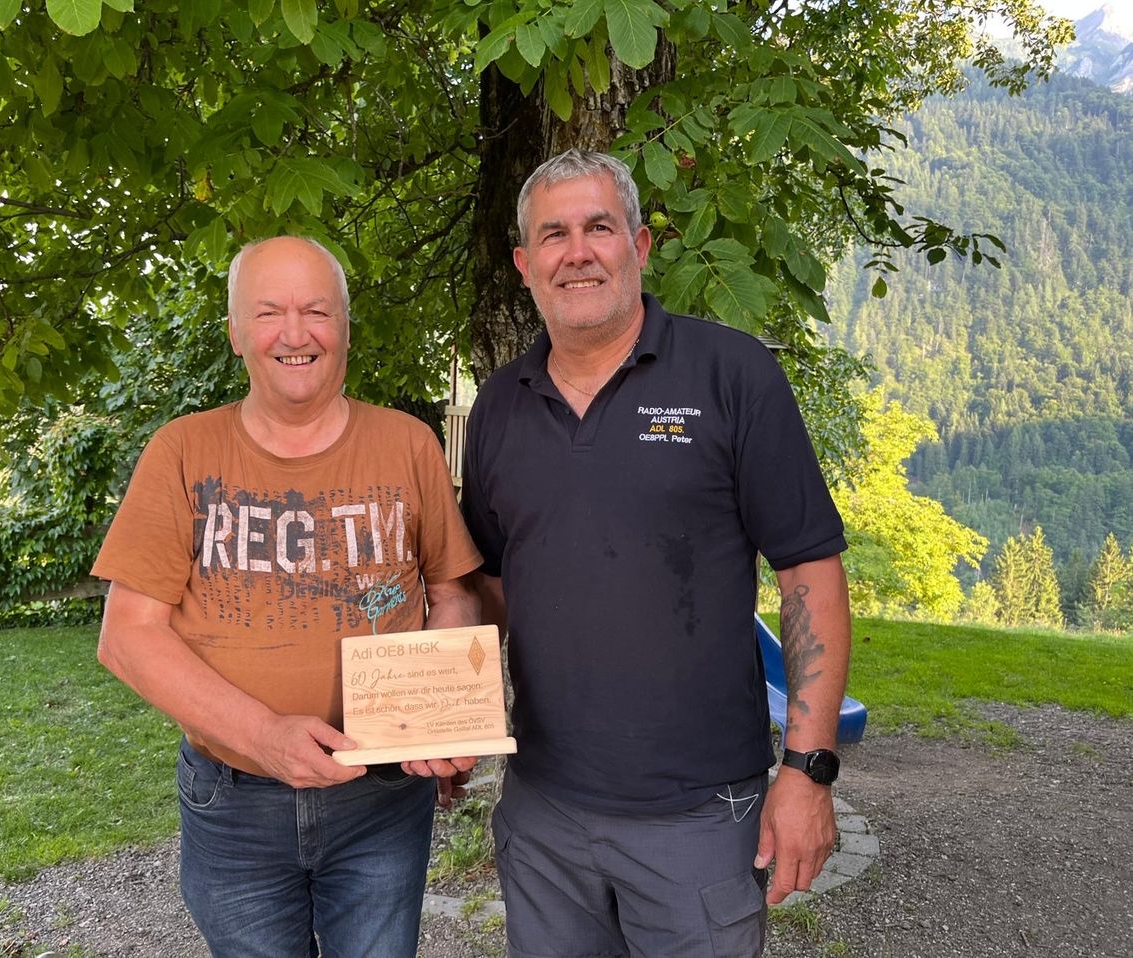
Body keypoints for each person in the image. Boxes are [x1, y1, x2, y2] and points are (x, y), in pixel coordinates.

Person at [460, 149, 852, 957]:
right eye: (554, 235)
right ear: (525, 264)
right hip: (542, 814)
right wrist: (437, 714)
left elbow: (809, 571)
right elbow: (490, 587)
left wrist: (807, 771)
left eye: (599, 227)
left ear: (638, 247)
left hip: (702, 818)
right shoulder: (498, 406)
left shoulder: (733, 375)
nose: (578, 252)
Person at [92, 236, 483, 958]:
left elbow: (449, 591)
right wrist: (263, 738)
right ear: (238, 330)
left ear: (345, 328)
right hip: (233, 801)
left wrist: (443, 715)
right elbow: (128, 635)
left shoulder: (409, 444)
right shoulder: (182, 452)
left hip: (382, 798)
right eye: (270, 312)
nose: (296, 334)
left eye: (317, 312)